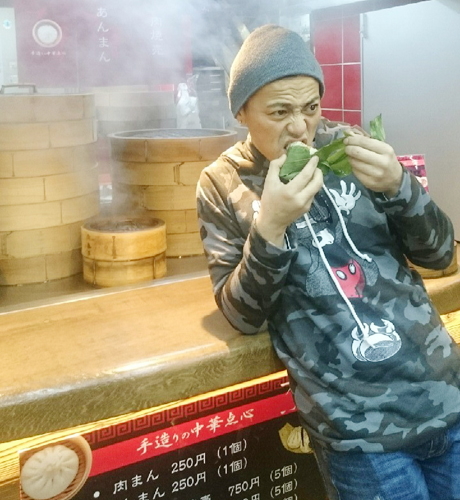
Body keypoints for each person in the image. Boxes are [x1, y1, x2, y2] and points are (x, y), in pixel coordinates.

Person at [196, 24, 460, 500]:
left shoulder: (349, 145)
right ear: (241, 111)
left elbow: (441, 254)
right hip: (359, 432)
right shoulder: (222, 183)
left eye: (311, 107)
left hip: (446, 394)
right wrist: (271, 226)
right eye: (280, 112)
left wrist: (399, 185)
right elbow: (242, 315)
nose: (301, 127)